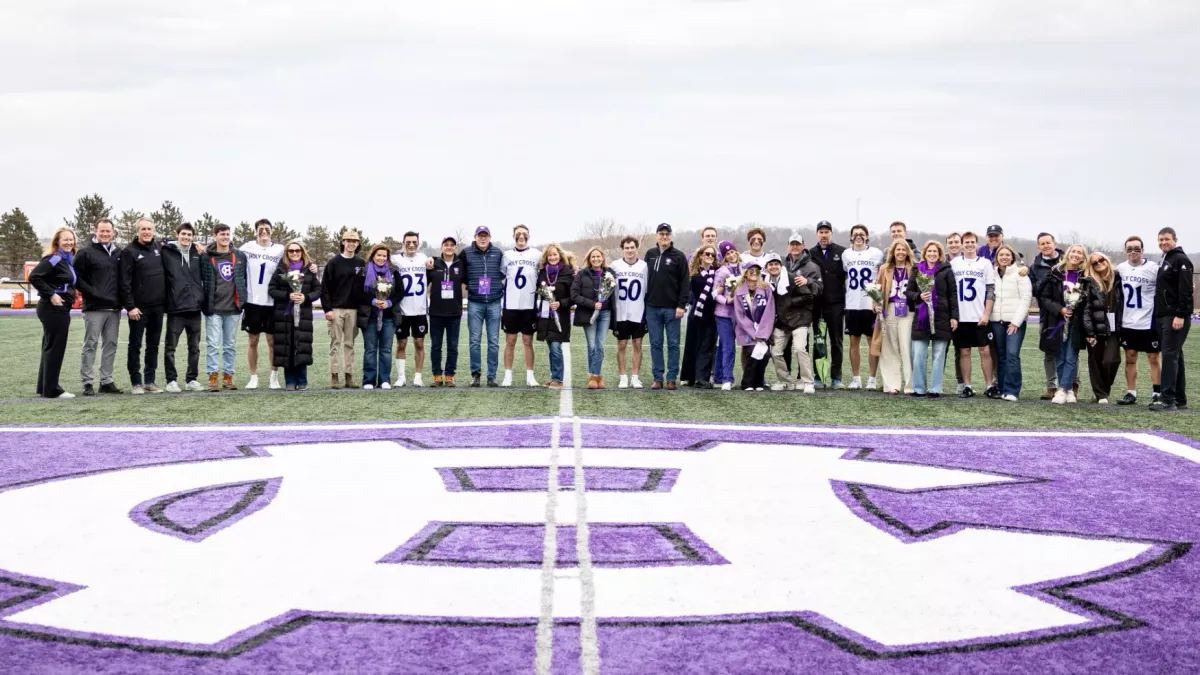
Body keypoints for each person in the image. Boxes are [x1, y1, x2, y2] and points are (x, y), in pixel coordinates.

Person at [73, 217, 123, 396]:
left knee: (111, 344)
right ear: (96, 231)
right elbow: (76, 278)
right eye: (102, 231)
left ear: (113, 232)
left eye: (108, 231)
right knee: (90, 344)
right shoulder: (85, 253)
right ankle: (87, 382)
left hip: (114, 308)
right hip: (94, 307)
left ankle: (106, 381)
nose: (105, 234)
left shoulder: (119, 253)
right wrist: (93, 293)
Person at [199, 223, 249, 392]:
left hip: (233, 308)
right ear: (215, 236)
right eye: (222, 234)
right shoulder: (206, 257)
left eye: (227, 234)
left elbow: (243, 279)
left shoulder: (239, 256)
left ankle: (228, 376)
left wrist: (242, 300)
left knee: (230, 345)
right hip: (214, 308)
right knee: (213, 344)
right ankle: (212, 376)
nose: (225, 237)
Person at [30, 227, 78, 399]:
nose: (69, 242)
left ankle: (45, 387)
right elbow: (34, 276)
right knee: (55, 348)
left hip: (60, 308)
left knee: (50, 347)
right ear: (57, 241)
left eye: (71, 239)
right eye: (65, 239)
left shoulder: (67, 260)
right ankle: (52, 390)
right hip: (53, 308)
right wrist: (51, 294)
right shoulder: (55, 258)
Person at [906, 241, 958, 398]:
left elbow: (953, 295)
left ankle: (935, 389)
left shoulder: (946, 270)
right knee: (918, 355)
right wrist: (919, 296)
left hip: (941, 317)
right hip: (921, 318)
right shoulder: (917, 270)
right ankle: (919, 389)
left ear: (940, 254)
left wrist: (954, 316)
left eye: (935, 251)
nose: (932, 254)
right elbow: (908, 292)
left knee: (939, 355)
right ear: (924, 253)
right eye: (929, 251)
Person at [120, 217, 166, 394]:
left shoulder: (159, 247)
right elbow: (124, 282)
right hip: (138, 309)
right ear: (137, 231)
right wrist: (130, 306)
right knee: (135, 345)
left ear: (153, 230)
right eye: (143, 229)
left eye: (149, 229)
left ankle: (149, 381)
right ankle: (136, 382)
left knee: (153, 345)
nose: (147, 232)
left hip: (158, 307)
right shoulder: (129, 251)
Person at [773, 233, 823, 392]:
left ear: (803, 246)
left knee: (800, 348)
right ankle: (786, 380)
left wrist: (808, 281)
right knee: (777, 350)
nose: (794, 247)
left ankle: (806, 381)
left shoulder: (812, 267)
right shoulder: (781, 264)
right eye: (792, 244)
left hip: (801, 315)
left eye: (797, 244)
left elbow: (819, 289)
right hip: (783, 316)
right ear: (788, 246)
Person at [1039, 244, 1088, 405]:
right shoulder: (1055, 273)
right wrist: (1060, 309)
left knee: (1071, 356)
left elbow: (1088, 298)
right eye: (1073, 251)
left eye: (1079, 253)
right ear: (1068, 253)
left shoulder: (1085, 276)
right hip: (1057, 321)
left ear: (1083, 257)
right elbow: (1044, 297)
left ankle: (1062, 389)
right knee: (1060, 357)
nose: (1076, 255)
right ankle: (1067, 389)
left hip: (1076, 322)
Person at [268, 241, 321, 390]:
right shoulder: (280, 269)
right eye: (291, 251)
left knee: (302, 345)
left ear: (302, 252)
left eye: (297, 250)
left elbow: (318, 290)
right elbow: (271, 290)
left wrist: (306, 297)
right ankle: (290, 381)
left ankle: (302, 380)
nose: (294, 253)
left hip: (303, 314)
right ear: (286, 253)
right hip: (284, 315)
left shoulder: (309, 270)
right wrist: (288, 295)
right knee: (287, 346)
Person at [1150, 227, 1192, 412]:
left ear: (1175, 239)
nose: (1163, 242)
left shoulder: (1181, 260)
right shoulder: (1166, 259)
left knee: (1169, 357)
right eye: (1160, 240)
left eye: (1166, 239)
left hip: (1174, 316)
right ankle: (1180, 399)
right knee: (1176, 356)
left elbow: (1186, 290)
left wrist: (1181, 314)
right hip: (1164, 315)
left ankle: (1167, 401)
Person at [239, 219, 284, 390]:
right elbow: (228, 252)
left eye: (267, 228)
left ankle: (274, 376)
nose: (264, 231)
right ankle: (253, 376)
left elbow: (297, 258)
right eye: (260, 228)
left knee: (272, 341)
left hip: (272, 302)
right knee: (253, 340)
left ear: (272, 231)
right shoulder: (247, 247)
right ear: (256, 231)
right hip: (253, 302)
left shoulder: (279, 249)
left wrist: (312, 267)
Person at [643, 223, 689, 390]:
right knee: (655, 343)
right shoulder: (650, 254)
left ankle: (671, 378)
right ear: (656, 235)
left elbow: (685, 282)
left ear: (671, 236)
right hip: (652, 307)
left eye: (667, 234)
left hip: (672, 308)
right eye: (661, 234)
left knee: (673, 344)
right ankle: (657, 378)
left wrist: (681, 305)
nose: (664, 237)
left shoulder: (679, 256)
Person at [1116, 236, 1161, 405]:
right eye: (1129, 249)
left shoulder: (1153, 268)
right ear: (1125, 251)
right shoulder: (1121, 268)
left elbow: (1169, 283)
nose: (1133, 251)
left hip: (1149, 320)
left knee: (1153, 357)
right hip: (1128, 321)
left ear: (1142, 251)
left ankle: (1157, 393)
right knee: (1130, 357)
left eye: (1137, 248)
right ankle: (1131, 393)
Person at [161, 222, 205, 393]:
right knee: (170, 347)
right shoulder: (167, 251)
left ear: (193, 237)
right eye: (183, 234)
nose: (186, 237)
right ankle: (171, 380)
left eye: (189, 235)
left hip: (194, 308)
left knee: (194, 347)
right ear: (177, 234)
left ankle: (191, 379)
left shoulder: (198, 252)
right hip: (176, 308)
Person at [951, 232, 996, 399]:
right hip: (962, 316)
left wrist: (986, 313)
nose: (969, 245)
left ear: (977, 244)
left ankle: (989, 385)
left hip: (979, 315)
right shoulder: (954, 263)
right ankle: (967, 386)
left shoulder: (985, 263)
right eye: (966, 242)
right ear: (962, 245)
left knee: (985, 350)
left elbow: (990, 290)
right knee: (964, 352)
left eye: (972, 242)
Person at [321, 229, 364, 389]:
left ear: (358, 244)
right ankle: (334, 376)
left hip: (353, 309)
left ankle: (349, 376)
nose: (351, 244)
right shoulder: (333, 262)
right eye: (348, 241)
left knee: (349, 344)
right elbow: (325, 287)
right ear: (343, 242)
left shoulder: (361, 263)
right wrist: (327, 309)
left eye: (354, 241)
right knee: (335, 343)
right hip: (336, 309)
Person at [462, 226, 505, 387]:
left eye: (485, 236)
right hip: (475, 302)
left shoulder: (498, 253)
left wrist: (496, 285)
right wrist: (471, 284)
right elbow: (459, 271)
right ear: (475, 237)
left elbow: (503, 272)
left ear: (489, 237)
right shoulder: (466, 253)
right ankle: (476, 374)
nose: (482, 238)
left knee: (493, 341)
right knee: (474, 340)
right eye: (480, 236)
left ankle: (491, 376)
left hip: (494, 301)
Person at [842, 224, 883, 390]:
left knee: (872, 341)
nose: (858, 236)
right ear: (851, 237)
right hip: (852, 303)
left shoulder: (877, 253)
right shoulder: (846, 254)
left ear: (867, 236)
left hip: (870, 303)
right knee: (853, 341)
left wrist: (878, 299)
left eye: (862, 234)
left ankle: (872, 379)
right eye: (855, 234)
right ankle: (856, 378)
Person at [989, 245, 1032, 402]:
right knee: (1001, 356)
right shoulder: (992, 274)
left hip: (1015, 323)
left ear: (1012, 257)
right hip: (996, 322)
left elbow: (1026, 298)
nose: (1004, 257)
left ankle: (1012, 390)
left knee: (1012, 354)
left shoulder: (1020, 274)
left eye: (1007, 255)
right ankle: (1002, 388)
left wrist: (1016, 322)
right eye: (1001, 255)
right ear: (997, 257)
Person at [500, 224, 540, 388]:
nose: (521, 236)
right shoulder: (507, 255)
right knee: (510, 340)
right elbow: (501, 276)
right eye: (518, 234)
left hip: (529, 305)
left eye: (524, 234)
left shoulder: (536, 254)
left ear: (528, 236)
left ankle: (530, 375)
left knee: (527, 340)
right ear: (513, 236)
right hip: (510, 305)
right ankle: (507, 375)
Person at [1082, 252, 1123, 404]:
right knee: (1095, 360)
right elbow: (1086, 309)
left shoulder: (1118, 278)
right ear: (1091, 266)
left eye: (1101, 259)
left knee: (1112, 360)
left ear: (1107, 260)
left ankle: (1104, 389)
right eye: (1094, 263)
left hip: (1114, 327)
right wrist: (1089, 331)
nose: (1099, 263)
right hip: (1095, 326)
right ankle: (1100, 394)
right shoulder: (1089, 282)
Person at [360, 244, 402, 390]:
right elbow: (357, 292)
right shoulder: (364, 271)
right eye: (379, 255)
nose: (381, 258)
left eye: (384, 256)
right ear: (373, 256)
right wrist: (373, 301)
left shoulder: (394, 271)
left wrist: (389, 302)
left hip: (389, 317)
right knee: (370, 349)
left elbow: (400, 292)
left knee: (386, 350)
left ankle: (385, 380)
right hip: (370, 316)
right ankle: (369, 380)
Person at [572, 246, 615, 389]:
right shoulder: (582, 274)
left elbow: (613, 293)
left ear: (602, 258)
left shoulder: (610, 273)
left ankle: (595, 376)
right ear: (589, 259)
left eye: (598, 256)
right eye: (593, 257)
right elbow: (574, 295)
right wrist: (592, 304)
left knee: (600, 345)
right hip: (588, 313)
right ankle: (594, 376)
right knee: (592, 346)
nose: (596, 259)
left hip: (605, 313)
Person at [876, 240, 915, 395]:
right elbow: (877, 289)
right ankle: (892, 384)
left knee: (907, 347)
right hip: (890, 309)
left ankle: (910, 385)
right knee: (889, 347)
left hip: (908, 310)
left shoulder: (914, 268)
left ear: (908, 252)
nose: (901, 252)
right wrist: (876, 304)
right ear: (893, 252)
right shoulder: (884, 268)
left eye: (903, 250)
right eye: (898, 249)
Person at [811, 221, 847, 388]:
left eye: (826, 232)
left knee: (836, 341)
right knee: (819, 341)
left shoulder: (842, 252)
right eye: (821, 232)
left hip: (836, 304)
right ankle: (819, 376)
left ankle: (836, 377)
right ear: (817, 234)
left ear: (831, 234)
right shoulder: (810, 253)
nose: (824, 235)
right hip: (818, 304)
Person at [391, 231, 429, 388]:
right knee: (401, 343)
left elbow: (433, 262)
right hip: (402, 309)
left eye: (414, 242)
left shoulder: (423, 258)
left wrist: (432, 260)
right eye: (408, 242)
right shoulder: (395, 259)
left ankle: (418, 376)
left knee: (419, 343)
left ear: (418, 243)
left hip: (419, 309)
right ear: (403, 243)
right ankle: (401, 377)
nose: (411, 245)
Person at [1030, 233, 1065, 399]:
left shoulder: (1067, 260)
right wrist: (1046, 279)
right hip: (1047, 315)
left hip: (1068, 313)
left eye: (1048, 242)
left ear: (1054, 243)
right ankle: (1051, 386)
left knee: (1069, 351)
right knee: (1049, 350)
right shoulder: (1035, 267)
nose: (1045, 246)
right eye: (1042, 244)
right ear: (1039, 246)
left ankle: (1071, 385)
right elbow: (1034, 291)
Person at [610, 236, 648, 389]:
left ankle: (635, 377)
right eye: (627, 248)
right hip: (621, 311)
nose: (630, 250)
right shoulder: (615, 265)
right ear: (622, 249)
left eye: (632, 247)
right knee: (622, 344)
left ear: (636, 248)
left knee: (637, 344)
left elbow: (647, 289)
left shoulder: (644, 266)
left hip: (638, 310)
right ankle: (623, 377)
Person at [535, 244, 574, 389]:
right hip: (546, 315)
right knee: (551, 347)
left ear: (560, 255)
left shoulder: (567, 272)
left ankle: (558, 379)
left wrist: (560, 303)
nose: (552, 257)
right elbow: (539, 289)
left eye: (555, 254)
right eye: (549, 255)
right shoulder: (542, 272)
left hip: (561, 315)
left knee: (556, 346)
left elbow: (573, 296)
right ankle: (553, 376)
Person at [428, 236, 466, 387]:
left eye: (452, 245)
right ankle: (437, 376)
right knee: (436, 346)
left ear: (455, 248)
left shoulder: (461, 264)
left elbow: (469, 281)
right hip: (436, 312)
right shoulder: (433, 263)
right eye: (446, 245)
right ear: (441, 248)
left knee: (452, 346)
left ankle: (449, 376)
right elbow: (424, 281)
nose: (449, 247)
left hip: (454, 312)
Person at [733, 262, 775, 391]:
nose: (754, 273)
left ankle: (759, 382)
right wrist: (753, 333)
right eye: (751, 271)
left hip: (763, 330)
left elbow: (770, 311)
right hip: (746, 331)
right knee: (752, 352)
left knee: (765, 354)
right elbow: (740, 315)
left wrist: (762, 333)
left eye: (757, 271)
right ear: (746, 273)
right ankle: (747, 383)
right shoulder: (739, 291)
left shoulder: (766, 289)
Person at [681, 244, 719, 389]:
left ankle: (701, 376)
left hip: (711, 315)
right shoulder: (696, 276)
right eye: (707, 254)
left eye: (712, 255)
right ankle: (695, 377)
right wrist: (716, 292)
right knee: (696, 345)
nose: (710, 257)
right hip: (698, 314)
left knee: (707, 346)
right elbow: (704, 299)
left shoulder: (716, 273)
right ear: (701, 256)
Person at [712, 241, 742, 391]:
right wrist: (726, 301)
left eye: (732, 252)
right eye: (727, 254)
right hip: (724, 314)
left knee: (724, 345)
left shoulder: (743, 268)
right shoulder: (722, 271)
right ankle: (727, 379)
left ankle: (718, 377)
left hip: (739, 314)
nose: (731, 255)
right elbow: (715, 293)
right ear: (724, 257)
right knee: (728, 346)